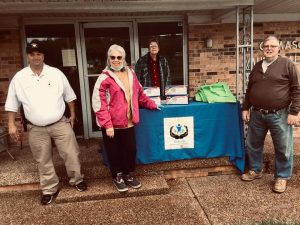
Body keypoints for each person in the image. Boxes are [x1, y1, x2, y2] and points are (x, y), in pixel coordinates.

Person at [5, 40, 87, 205]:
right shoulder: (19, 78)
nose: (36, 57)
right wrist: (11, 124)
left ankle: (77, 180)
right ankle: (49, 189)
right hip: (36, 127)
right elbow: (12, 103)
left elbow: (69, 96)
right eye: (32, 54)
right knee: (43, 160)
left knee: (71, 153)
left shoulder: (56, 73)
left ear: (43, 56)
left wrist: (72, 115)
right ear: (28, 56)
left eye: (39, 54)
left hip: (59, 123)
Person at [92, 44, 161, 192]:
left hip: (129, 123)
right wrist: (107, 124)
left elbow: (140, 94)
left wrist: (152, 104)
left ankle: (128, 174)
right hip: (112, 125)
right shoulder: (104, 78)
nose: (116, 60)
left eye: (119, 57)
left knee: (130, 150)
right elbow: (99, 103)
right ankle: (117, 176)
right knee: (114, 152)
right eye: (113, 57)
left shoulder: (131, 74)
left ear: (123, 58)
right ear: (108, 59)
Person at [241, 35, 300, 193]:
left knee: (283, 147)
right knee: (253, 144)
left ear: (278, 48)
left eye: (272, 46)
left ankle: (281, 177)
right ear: (263, 48)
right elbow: (249, 90)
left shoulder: (287, 64)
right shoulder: (257, 66)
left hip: (279, 114)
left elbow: (296, 89)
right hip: (257, 114)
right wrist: (245, 108)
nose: (269, 48)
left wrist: (294, 112)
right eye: (266, 46)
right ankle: (255, 170)